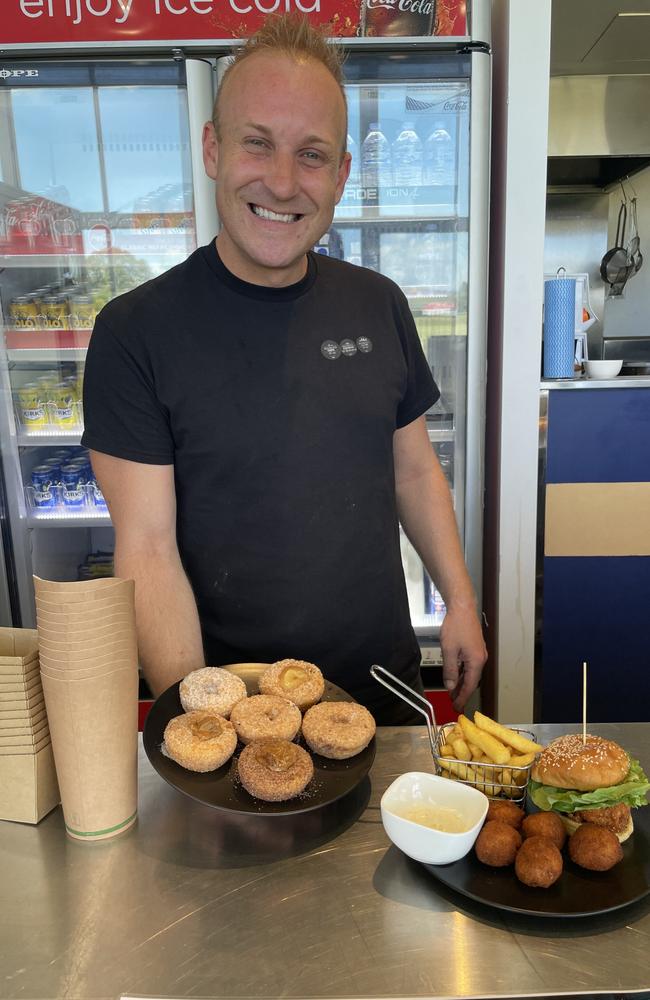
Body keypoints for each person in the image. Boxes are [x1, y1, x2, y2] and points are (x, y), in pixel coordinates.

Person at [81, 15, 486, 724]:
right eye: (257, 144)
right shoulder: (134, 331)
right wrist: (203, 723)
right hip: (236, 707)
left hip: (382, 690)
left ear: (341, 174)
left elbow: (414, 470)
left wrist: (460, 599)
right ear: (213, 148)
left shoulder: (379, 303)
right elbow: (145, 547)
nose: (281, 181)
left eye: (311, 155)